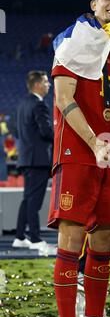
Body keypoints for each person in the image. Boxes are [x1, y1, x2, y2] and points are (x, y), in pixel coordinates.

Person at [48, 0, 110, 317]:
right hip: (79, 153)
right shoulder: (75, 38)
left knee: (105, 239)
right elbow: (64, 97)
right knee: (71, 239)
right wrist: (94, 142)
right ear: (94, 3)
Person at [12, 71, 53, 249]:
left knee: (27, 198)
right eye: (45, 82)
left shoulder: (21, 105)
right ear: (37, 84)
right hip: (38, 160)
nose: (49, 85)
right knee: (34, 201)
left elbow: (15, 130)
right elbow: (46, 131)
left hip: (26, 157)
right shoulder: (39, 105)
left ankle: (20, 236)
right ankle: (35, 239)